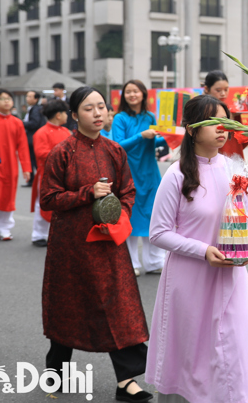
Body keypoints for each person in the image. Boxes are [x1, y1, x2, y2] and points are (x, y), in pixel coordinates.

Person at [147, 96, 248, 403]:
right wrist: (203, 251)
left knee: (237, 351)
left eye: (225, 120)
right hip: (190, 279)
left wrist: (245, 249)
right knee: (194, 358)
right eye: (212, 121)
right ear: (191, 130)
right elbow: (158, 233)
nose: (222, 128)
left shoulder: (236, 170)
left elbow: (240, 222)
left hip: (232, 275)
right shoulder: (177, 175)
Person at [40, 86, 152, 402]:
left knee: (119, 307)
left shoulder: (115, 151)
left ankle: (126, 381)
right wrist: (87, 193)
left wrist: (119, 216)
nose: (98, 113)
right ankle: (56, 372)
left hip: (109, 244)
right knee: (69, 307)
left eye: (102, 107)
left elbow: (128, 191)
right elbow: (48, 199)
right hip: (71, 247)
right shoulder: (62, 152)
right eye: (89, 108)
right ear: (75, 115)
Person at [112, 80, 167, 276]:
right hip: (128, 174)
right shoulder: (120, 118)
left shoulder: (150, 116)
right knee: (131, 217)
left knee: (153, 217)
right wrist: (141, 136)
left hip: (150, 173)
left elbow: (154, 142)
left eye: (136, 91)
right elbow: (117, 146)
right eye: (128, 92)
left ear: (143, 94)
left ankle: (154, 262)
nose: (132, 95)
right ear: (124, 96)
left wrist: (168, 135)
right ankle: (131, 263)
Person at [0, 88, 32, 241]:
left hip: (10, 166)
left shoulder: (17, 123)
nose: (7, 101)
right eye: (3, 99)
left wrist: (27, 168)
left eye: (9, 98)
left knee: (8, 199)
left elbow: (22, 146)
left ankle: (4, 229)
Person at [31, 100, 71, 247]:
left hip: (64, 175)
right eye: (65, 113)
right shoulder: (41, 133)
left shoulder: (66, 132)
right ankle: (38, 235)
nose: (67, 116)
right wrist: (63, 156)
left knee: (61, 205)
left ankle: (55, 234)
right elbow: (41, 154)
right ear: (58, 115)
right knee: (42, 204)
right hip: (47, 175)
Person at [204, 70, 248, 163]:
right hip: (214, 164)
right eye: (218, 90)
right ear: (207, 89)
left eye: (226, 89)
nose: (223, 93)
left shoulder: (232, 111)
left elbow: (240, 144)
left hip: (235, 164)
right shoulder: (201, 111)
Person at [22, 90, 46, 186]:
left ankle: (33, 180)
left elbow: (34, 123)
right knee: (34, 160)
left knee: (32, 160)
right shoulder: (33, 108)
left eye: (29, 96)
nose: (27, 98)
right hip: (33, 137)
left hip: (33, 138)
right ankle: (35, 179)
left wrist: (21, 123)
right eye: (27, 96)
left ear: (36, 99)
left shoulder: (35, 109)